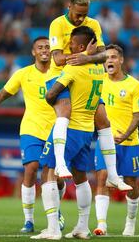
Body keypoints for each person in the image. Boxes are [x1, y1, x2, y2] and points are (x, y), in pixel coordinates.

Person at [0, 37, 65, 233]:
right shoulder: (23, 74)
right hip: (31, 128)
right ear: (33, 52)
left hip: (56, 129)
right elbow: (2, 94)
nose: (44, 50)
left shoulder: (61, 71)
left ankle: (56, 211)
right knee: (31, 168)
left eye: (47, 47)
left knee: (55, 177)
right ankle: (28, 221)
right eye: (40, 47)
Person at [46, 0, 129, 191]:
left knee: (103, 120)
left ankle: (113, 175)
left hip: (86, 76)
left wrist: (86, 59)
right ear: (69, 7)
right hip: (60, 77)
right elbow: (57, 59)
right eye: (77, 14)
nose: (81, 19)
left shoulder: (94, 24)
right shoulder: (57, 24)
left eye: (84, 14)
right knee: (65, 111)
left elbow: (103, 54)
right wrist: (84, 54)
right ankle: (59, 163)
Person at [31, 26, 103, 240]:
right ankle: (82, 227)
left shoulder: (74, 69)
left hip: (69, 128)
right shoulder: (98, 69)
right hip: (87, 129)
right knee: (81, 177)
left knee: (48, 171)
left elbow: (51, 94)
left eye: (71, 43)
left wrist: (53, 99)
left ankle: (53, 229)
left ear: (80, 46)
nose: (67, 46)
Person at [93, 44, 139, 236]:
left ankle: (130, 221)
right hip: (105, 140)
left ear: (121, 60)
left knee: (130, 182)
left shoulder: (134, 85)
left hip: (129, 141)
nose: (109, 61)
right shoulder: (98, 82)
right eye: (106, 58)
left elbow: (138, 115)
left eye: (113, 57)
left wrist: (125, 135)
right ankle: (101, 225)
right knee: (102, 178)